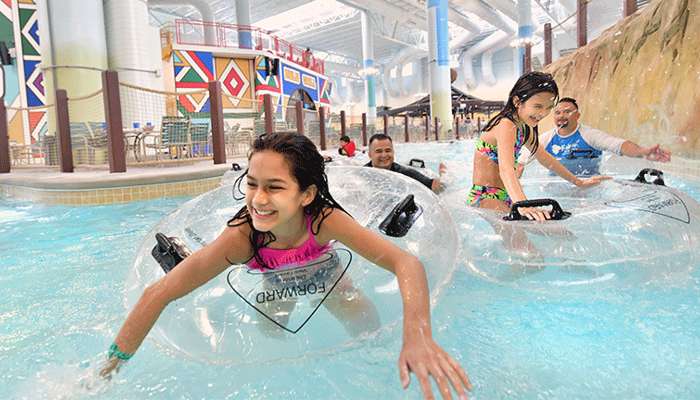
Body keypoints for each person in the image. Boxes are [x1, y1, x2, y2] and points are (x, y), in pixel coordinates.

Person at [100, 133, 471, 400]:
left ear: (306, 194)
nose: (258, 200)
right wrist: (108, 370)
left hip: (325, 272)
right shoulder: (240, 238)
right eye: (252, 184)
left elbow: (405, 262)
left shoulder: (324, 219)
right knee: (274, 337)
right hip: (269, 280)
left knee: (366, 329)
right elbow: (158, 293)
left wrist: (418, 336)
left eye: (274, 187)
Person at [470, 72, 610, 221]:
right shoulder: (506, 125)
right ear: (517, 101)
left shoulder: (524, 128)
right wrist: (523, 205)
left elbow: (545, 159)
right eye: (538, 106)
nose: (543, 113)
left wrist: (578, 182)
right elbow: (506, 170)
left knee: (553, 233)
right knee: (524, 237)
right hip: (486, 196)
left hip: (507, 194)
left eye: (549, 107)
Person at [534, 97, 672, 175]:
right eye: (557, 113)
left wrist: (641, 152)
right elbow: (522, 158)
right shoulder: (545, 139)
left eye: (567, 112)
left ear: (577, 115)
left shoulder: (589, 135)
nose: (561, 116)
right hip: (556, 188)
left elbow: (618, 145)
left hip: (588, 188)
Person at [364, 133, 447, 194]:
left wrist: (444, 176)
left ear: (393, 152)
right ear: (370, 155)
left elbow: (433, 186)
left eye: (388, 150)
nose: (384, 155)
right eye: (378, 151)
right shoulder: (361, 175)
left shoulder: (403, 173)